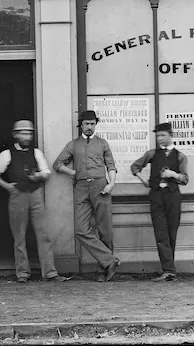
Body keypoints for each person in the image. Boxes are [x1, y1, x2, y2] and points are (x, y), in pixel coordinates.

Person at [0, 120, 70, 283]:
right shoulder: (6, 154)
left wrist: (39, 176)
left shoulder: (36, 153)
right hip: (17, 195)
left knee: (43, 234)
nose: (27, 137)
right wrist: (7, 187)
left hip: (35, 194)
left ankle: (49, 272)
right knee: (19, 236)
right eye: (23, 133)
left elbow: (46, 172)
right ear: (15, 135)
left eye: (29, 133)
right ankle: (22, 273)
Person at [53, 110, 119, 282]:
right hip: (81, 187)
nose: (89, 127)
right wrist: (73, 172)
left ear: (95, 125)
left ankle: (103, 270)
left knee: (105, 230)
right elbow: (57, 164)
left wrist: (111, 184)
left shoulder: (103, 143)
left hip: (101, 186)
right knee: (80, 229)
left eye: (92, 124)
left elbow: (111, 166)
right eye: (86, 124)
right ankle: (110, 260)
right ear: (80, 125)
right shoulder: (73, 144)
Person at [131, 122, 189, 282]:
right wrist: (144, 180)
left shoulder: (180, 156)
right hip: (156, 197)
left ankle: (169, 270)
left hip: (173, 198)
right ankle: (169, 270)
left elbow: (185, 180)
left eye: (162, 135)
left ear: (171, 136)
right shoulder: (151, 154)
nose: (159, 138)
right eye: (157, 136)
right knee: (161, 234)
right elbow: (135, 167)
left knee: (171, 234)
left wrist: (174, 174)